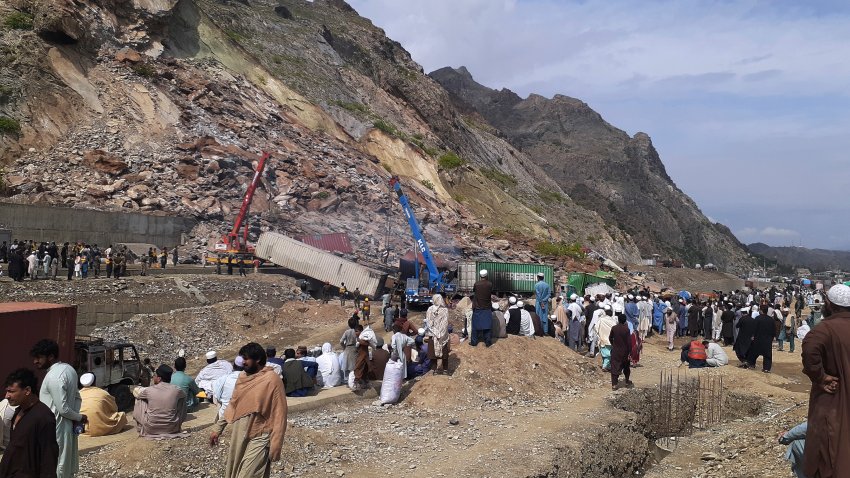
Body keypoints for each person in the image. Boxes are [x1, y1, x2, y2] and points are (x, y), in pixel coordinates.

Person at [210, 343, 287, 478]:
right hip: (240, 432)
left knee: (249, 474)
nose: (243, 362)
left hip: (261, 434)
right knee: (235, 469)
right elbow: (233, 404)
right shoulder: (242, 377)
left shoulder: (272, 380)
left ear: (257, 359)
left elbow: (280, 414)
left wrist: (276, 443)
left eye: (246, 359)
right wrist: (218, 428)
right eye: (242, 358)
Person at [801, 284, 850, 478]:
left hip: (834, 397)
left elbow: (810, 350)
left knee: (830, 445)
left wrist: (820, 377)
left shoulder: (824, 329)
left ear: (829, 304)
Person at [31, 339, 85, 478]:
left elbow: (63, 409)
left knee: (57, 465)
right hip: (64, 425)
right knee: (64, 463)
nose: (35, 362)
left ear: (51, 356)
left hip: (56, 427)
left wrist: (79, 418)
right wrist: (76, 417)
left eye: (39, 358)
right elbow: (77, 397)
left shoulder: (55, 376)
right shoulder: (68, 369)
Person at [0, 369, 59, 477]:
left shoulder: (43, 416)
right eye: (7, 391)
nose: (7, 396)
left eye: (11, 392)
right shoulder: (18, 411)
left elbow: (49, 456)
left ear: (27, 390)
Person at [132, 364, 187, 437]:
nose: (153, 377)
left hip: (151, 429)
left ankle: (140, 428)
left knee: (140, 400)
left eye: (155, 375)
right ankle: (175, 422)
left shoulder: (149, 390)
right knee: (182, 399)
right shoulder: (177, 390)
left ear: (159, 378)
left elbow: (137, 394)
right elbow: (184, 395)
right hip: (172, 428)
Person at [425, 294, 451, 374]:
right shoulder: (445, 310)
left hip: (433, 335)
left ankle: (434, 369)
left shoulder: (430, 309)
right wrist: (440, 334)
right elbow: (445, 324)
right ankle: (445, 370)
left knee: (433, 353)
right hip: (443, 335)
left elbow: (429, 323)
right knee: (444, 353)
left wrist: (436, 333)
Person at [746, 304, 776, 373]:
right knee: (767, 355)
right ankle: (766, 368)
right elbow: (774, 330)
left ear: (761, 311)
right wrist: (773, 337)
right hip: (767, 340)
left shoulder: (757, 318)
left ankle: (751, 364)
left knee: (753, 353)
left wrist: (752, 336)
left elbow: (754, 328)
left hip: (758, 339)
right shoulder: (771, 320)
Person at [609, 314, 633, 390]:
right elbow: (629, 342)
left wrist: (613, 344)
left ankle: (614, 384)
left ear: (618, 320)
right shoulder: (626, 329)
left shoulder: (614, 328)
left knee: (615, 367)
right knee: (626, 367)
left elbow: (610, 338)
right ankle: (626, 381)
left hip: (616, 351)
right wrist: (630, 351)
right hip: (624, 352)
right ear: (625, 320)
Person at [470, 269, 494, 347]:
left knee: (475, 325)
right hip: (487, 308)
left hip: (478, 307)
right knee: (487, 325)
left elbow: (474, 291)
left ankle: (474, 342)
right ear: (486, 275)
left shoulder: (477, 284)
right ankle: (488, 342)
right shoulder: (490, 284)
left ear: (480, 276)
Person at [339, 317, 359, 382]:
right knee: (353, 366)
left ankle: (348, 381)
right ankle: (353, 380)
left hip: (347, 349)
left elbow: (341, 341)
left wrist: (344, 347)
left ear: (348, 324)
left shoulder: (346, 332)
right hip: (354, 349)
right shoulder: (356, 331)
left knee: (347, 366)